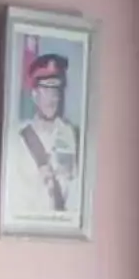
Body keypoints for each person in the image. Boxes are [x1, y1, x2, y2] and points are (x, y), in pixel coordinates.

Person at [8, 47, 83, 224]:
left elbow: (76, 192)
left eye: (56, 91)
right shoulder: (18, 139)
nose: (52, 98)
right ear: (34, 95)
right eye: (46, 91)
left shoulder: (72, 135)